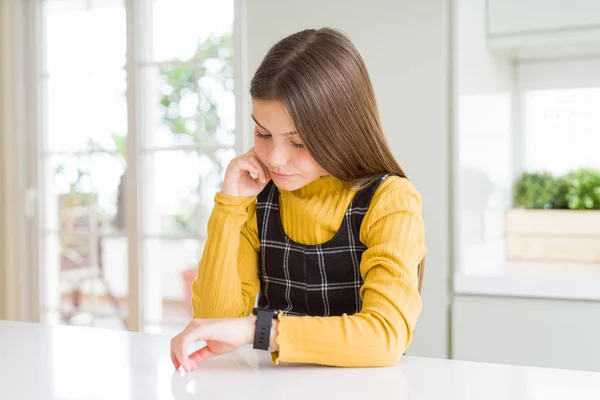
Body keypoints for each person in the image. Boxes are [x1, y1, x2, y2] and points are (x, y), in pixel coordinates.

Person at [170, 27, 426, 370]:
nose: (275, 158)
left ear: (342, 132)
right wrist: (230, 206)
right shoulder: (257, 197)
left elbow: (383, 337)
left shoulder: (391, 200)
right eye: (263, 133)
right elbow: (216, 322)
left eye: (299, 142)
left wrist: (258, 330)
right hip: (273, 388)